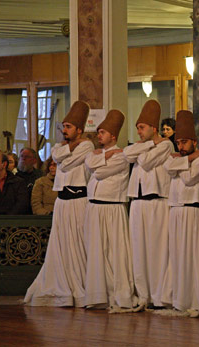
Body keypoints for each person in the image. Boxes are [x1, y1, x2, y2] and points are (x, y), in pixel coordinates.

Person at [25, 100, 93, 307]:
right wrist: (66, 152)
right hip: (62, 201)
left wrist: (66, 153)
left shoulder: (88, 144)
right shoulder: (58, 147)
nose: (64, 130)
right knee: (61, 242)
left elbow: (69, 161)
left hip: (79, 199)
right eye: (63, 126)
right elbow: (57, 157)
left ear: (79, 130)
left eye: (69, 127)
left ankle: (82, 284)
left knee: (79, 242)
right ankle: (61, 283)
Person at [84, 109, 137, 311]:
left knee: (114, 251)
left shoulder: (122, 155)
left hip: (112, 207)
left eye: (103, 133)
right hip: (94, 206)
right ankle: (98, 293)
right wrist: (105, 156)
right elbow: (90, 164)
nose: (99, 136)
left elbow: (100, 173)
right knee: (96, 250)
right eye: (99, 132)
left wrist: (104, 157)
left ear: (113, 136)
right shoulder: (99, 153)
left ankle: (118, 292)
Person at [123, 100, 174, 310]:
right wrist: (148, 145)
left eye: (142, 128)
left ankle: (160, 295)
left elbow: (146, 162)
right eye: (137, 128)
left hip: (157, 202)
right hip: (138, 203)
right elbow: (127, 155)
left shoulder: (167, 144)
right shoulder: (146, 145)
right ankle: (143, 294)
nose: (139, 131)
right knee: (139, 249)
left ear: (154, 128)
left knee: (157, 249)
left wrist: (146, 147)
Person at [163, 110, 199, 314]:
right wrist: (189, 158)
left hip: (196, 211)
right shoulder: (190, 157)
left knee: (197, 256)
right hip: (176, 210)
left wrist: (182, 163)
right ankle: (181, 298)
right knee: (178, 255)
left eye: (184, 142)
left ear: (193, 141)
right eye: (178, 142)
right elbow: (168, 167)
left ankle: (197, 298)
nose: (180, 146)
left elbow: (190, 179)